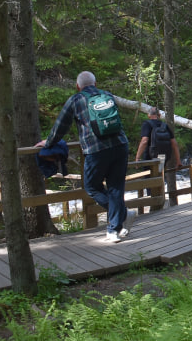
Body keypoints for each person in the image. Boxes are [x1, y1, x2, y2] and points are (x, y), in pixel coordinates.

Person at [35, 71, 131, 242]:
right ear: (95, 83)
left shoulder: (76, 100)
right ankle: (116, 227)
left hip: (96, 149)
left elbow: (60, 127)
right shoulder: (107, 95)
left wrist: (47, 143)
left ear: (78, 86)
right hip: (120, 145)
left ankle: (120, 218)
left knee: (92, 187)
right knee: (116, 187)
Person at [135, 107, 182, 205]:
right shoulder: (164, 125)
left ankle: (154, 205)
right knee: (159, 178)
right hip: (162, 158)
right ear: (159, 115)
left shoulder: (147, 124)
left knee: (149, 181)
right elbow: (174, 143)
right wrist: (178, 161)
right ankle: (160, 202)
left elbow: (144, 141)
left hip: (149, 158)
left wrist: (137, 158)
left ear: (149, 115)